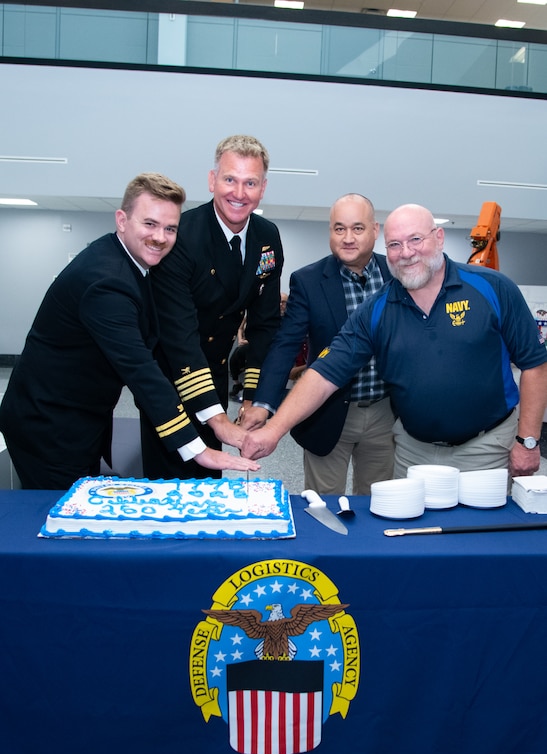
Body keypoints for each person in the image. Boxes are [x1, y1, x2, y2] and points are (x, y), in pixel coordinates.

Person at [241, 203, 547, 480]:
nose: (406, 252)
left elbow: (535, 365)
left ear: (438, 238)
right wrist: (273, 431)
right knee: (410, 536)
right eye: (395, 245)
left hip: (487, 447)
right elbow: (323, 375)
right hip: (414, 451)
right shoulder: (377, 308)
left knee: (484, 536)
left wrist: (528, 440)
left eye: (416, 239)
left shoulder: (492, 288)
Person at [0, 173, 259, 490]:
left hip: (80, 415)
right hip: (49, 424)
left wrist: (214, 421)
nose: (160, 237)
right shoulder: (107, 283)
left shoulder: (133, 264)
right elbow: (140, 369)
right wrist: (198, 449)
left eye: (170, 228)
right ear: (122, 220)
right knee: (61, 521)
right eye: (149, 224)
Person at [140, 134, 284, 480]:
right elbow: (179, 337)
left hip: (216, 376)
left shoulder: (267, 236)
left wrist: (252, 398)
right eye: (230, 179)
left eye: (250, 182)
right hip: (172, 381)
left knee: (208, 484)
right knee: (170, 487)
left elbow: (264, 326)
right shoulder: (183, 235)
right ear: (211, 180)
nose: (239, 192)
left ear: (263, 188)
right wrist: (218, 420)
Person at [240, 194, 394, 495]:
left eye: (358, 228)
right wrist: (263, 403)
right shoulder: (308, 281)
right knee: (324, 505)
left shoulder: (396, 276)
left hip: (385, 414)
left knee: (380, 503)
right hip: (326, 412)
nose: (347, 238)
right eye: (339, 229)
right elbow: (286, 345)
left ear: (375, 230)